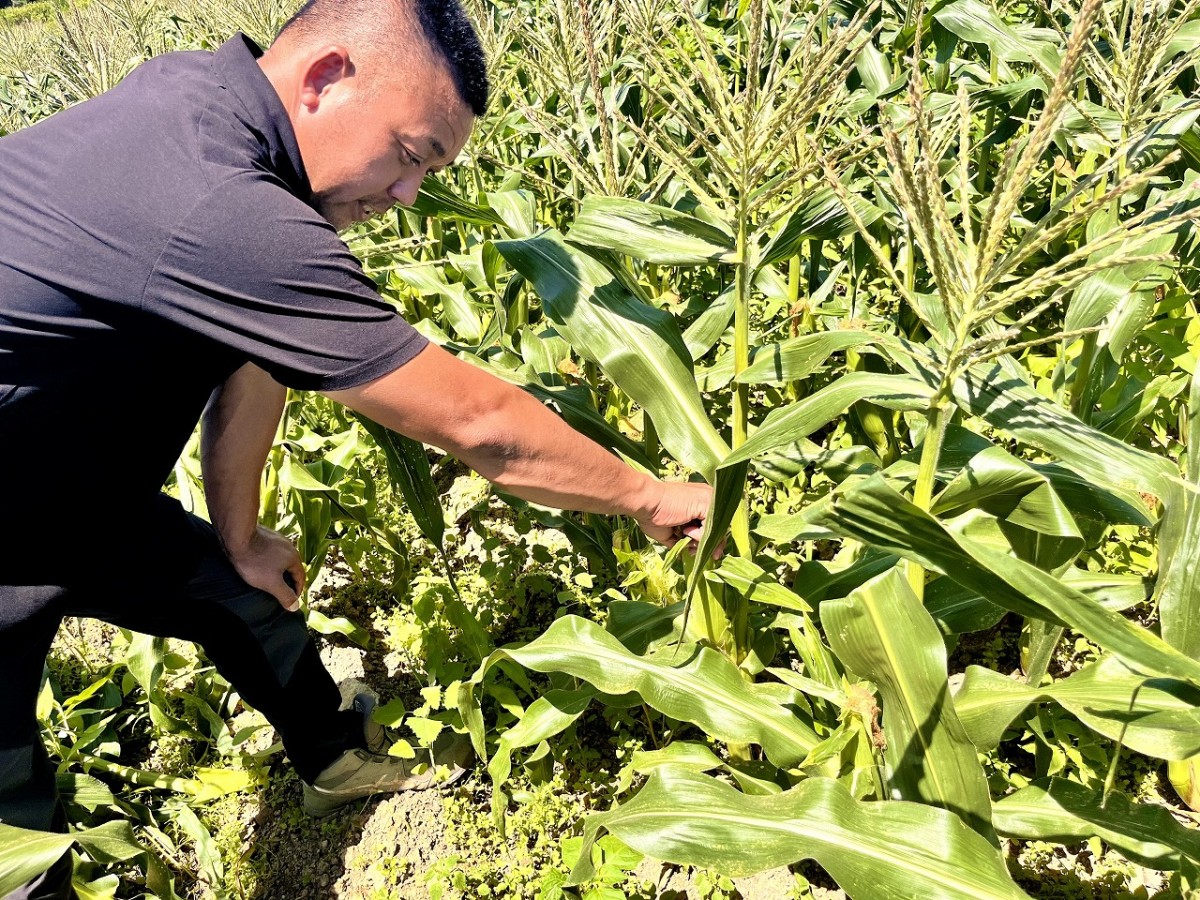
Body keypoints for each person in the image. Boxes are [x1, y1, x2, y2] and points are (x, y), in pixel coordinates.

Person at [0, 0, 715, 896]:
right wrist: (652, 498)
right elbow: (480, 424)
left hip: (63, 484)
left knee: (242, 598)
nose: (409, 194)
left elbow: (253, 359)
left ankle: (331, 759)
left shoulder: (204, 107)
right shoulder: (217, 201)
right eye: (413, 155)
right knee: (11, 835)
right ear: (326, 76)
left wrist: (241, 534)